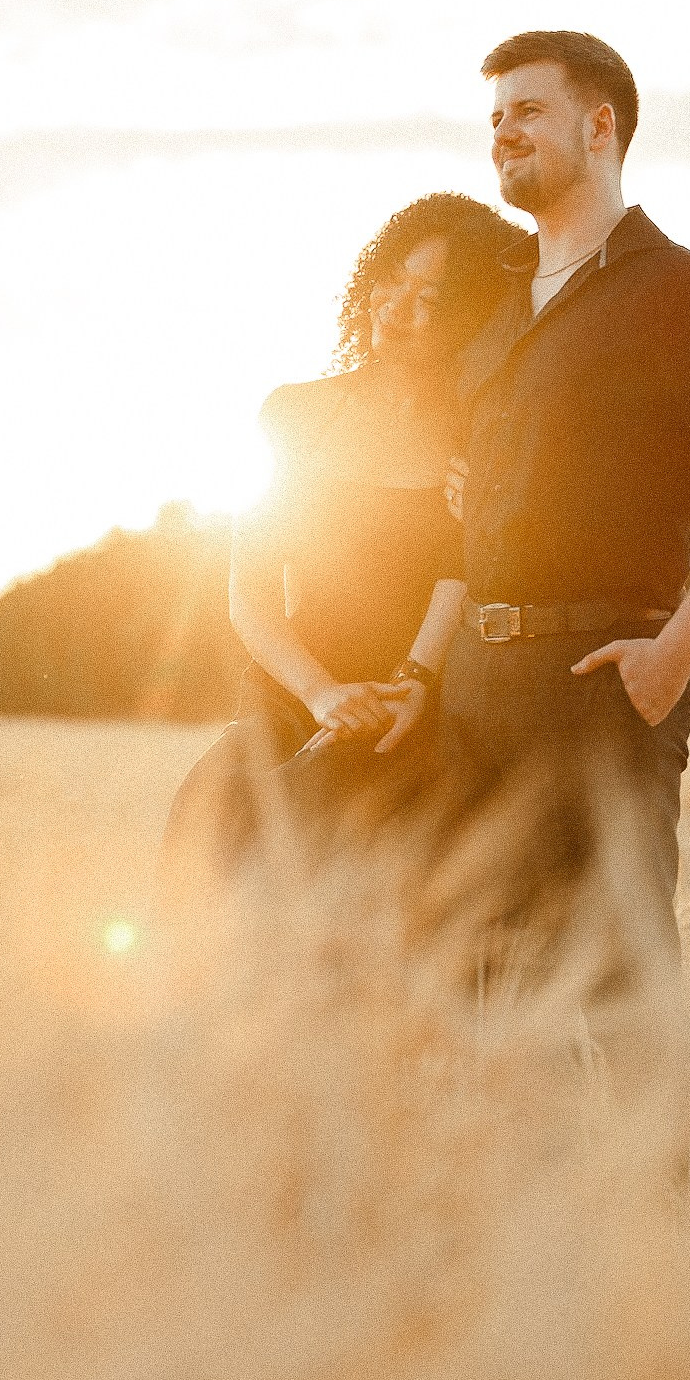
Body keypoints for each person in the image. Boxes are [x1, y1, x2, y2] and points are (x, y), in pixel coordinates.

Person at [440, 29, 690, 1026]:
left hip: (601, 679)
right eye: (492, 118)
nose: (500, 134)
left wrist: (672, 655)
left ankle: (656, 1187)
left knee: (619, 979)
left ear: (599, 126)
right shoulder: (496, 313)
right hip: (474, 686)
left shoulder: (681, 292)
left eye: (525, 110)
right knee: (482, 978)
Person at [159, 192, 525, 904]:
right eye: (392, 279)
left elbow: (461, 574)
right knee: (209, 843)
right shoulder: (294, 411)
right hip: (292, 695)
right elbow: (251, 591)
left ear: (465, 318)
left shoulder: (475, 437)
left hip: (409, 709)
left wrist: (409, 680)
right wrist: (323, 694)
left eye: (429, 296)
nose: (396, 306)